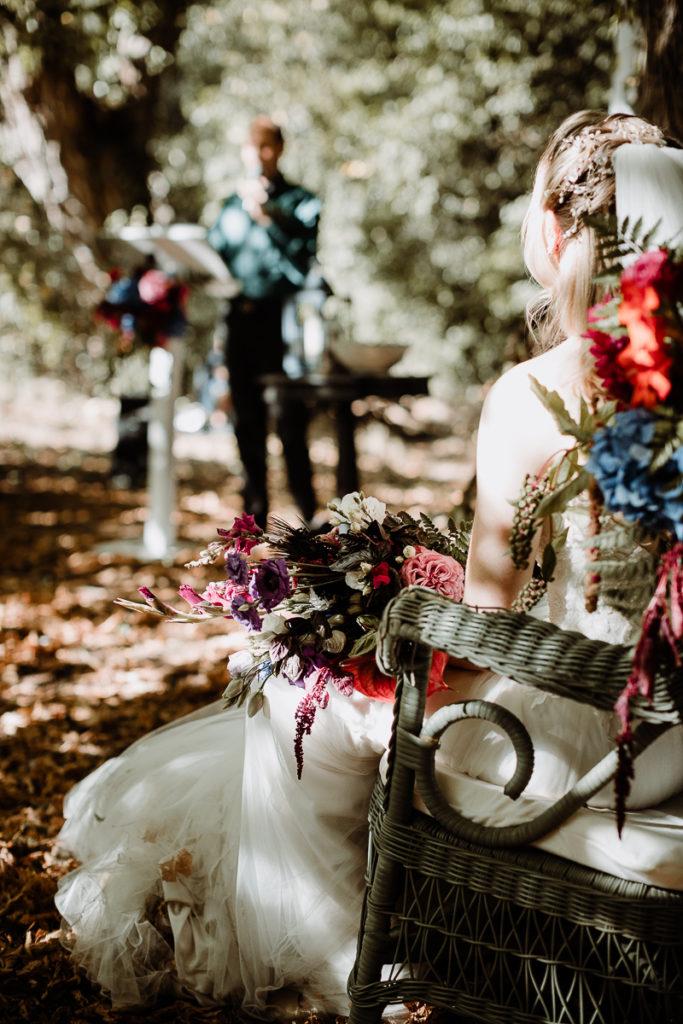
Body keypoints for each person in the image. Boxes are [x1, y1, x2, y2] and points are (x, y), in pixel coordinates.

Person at [54, 111, 683, 1015]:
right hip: (670, 738)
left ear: (554, 227)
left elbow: (490, 630)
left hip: (580, 740)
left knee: (297, 690)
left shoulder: (535, 393)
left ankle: (347, 948)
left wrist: (383, 636)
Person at [208, 115, 320, 528]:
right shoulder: (228, 206)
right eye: (251, 146)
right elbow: (214, 258)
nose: (258, 154)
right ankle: (252, 523)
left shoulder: (302, 202)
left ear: (280, 149)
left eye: (266, 145)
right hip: (239, 322)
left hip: (282, 321)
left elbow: (301, 264)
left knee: (291, 424)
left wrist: (268, 218)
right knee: (247, 425)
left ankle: (310, 519)